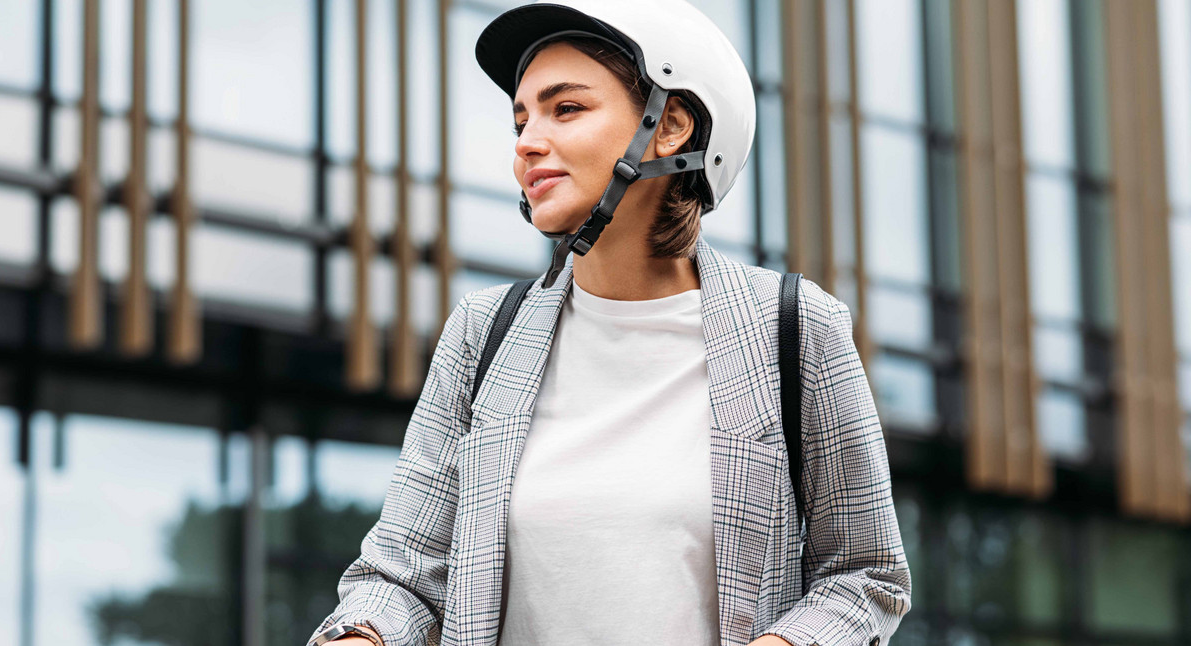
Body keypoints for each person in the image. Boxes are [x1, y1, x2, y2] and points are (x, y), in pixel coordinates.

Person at [307, 1, 911, 645]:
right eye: (522, 118)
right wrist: (361, 635)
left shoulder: (796, 328)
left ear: (670, 126)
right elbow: (400, 576)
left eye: (566, 109)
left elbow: (865, 576)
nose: (527, 142)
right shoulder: (483, 334)